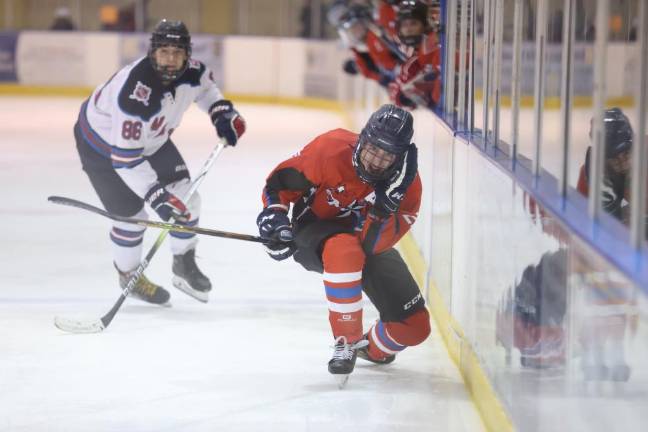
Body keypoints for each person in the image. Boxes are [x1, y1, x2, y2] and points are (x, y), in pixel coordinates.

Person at [74, 19, 246, 305]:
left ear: (187, 54)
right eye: (164, 52)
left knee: (187, 200)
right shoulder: (135, 95)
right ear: (153, 52)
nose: (170, 59)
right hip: (103, 149)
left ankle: (183, 262)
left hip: (152, 140)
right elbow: (126, 160)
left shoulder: (194, 72)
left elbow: (207, 91)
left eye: (177, 53)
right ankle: (129, 275)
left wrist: (220, 113)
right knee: (133, 219)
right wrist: (157, 197)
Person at [256, 104, 431, 379]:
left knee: (415, 327)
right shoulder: (331, 148)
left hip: (366, 243)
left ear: (399, 159)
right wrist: (275, 218)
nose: (375, 161)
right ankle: (346, 341)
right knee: (344, 249)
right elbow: (278, 184)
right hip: (314, 231)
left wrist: (385, 207)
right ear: (362, 138)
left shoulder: (408, 189)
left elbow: (372, 248)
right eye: (372, 148)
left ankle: (370, 348)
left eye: (386, 156)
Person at [388, 0, 442, 109]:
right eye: (405, 25)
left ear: (425, 25)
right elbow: (396, 92)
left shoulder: (433, 43)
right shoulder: (410, 53)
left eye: (413, 23)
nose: (408, 29)